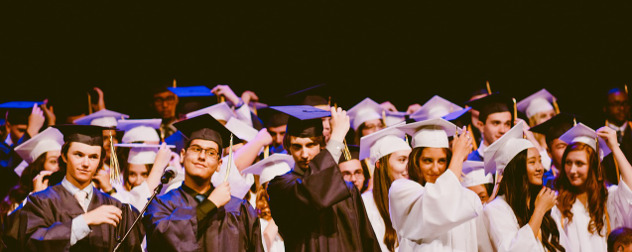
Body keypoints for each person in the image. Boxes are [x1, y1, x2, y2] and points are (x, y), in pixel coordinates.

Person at [266, 105, 380, 251]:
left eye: (310, 144)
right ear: (288, 147)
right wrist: (336, 138)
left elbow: (366, 238)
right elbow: (313, 191)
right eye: (297, 146)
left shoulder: (348, 189)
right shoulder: (281, 186)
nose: (304, 154)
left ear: (321, 144)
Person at [143, 114, 263, 251]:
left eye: (211, 153)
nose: (202, 156)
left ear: (219, 164)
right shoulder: (161, 205)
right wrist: (210, 205)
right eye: (196, 149)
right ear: (183, 155)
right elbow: (161, 240)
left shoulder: (239, 209)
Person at [15, 124, 144, 251]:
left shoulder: (115, 207)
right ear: (64, 156)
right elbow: (31, 244)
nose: (86, 163)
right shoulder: (40, 202)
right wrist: (84, 221)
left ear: (100, 161)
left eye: (93, 157)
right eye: (79, 155)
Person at [390, 118, 487, 251]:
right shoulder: (402, 190)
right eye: (427, 161)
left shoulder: (469, 199)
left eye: (441, 161)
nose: (435, 169)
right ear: (415, 161)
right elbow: (438, 205)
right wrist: (457, 156)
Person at [483, 121, 565, 252]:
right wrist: (539, 210)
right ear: (517, 169)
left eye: (540, 160)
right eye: (532, 162)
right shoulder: (496, 209)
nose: (540, 168)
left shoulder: (540, 203)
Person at [552, 123, 632, 252]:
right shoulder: (558, 204)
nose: (572, 170)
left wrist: (615, 148)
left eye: (579, 163)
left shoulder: (609, 198)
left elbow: (630, 189)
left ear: (594, 167)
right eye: (568, 162)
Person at [359, 126, 411, 251]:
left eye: (410, 160)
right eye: (402, 160)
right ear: (380, 165)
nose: (408, 167)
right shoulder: (365, 204)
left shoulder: (416, 197)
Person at [1, 127, 63, 215]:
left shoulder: (66, 194)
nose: (59, 167)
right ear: (38, 168)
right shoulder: (18, 201)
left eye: (61, 162)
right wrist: (37, 196)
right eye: (53, 161)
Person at [242, 154, 295, 252]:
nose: (280, 192)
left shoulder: (298, 216)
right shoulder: (258, 223)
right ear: (264, 192)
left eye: (285, 185)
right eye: (274, 187)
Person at [529, 113, 575, 186]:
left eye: (571, 145)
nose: (568, 150)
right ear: (549, 152)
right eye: (561, 146)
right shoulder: (542, 183)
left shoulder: (582, 178)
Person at [466, 93, 514, 161]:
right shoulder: (469, 163)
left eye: (507, 124)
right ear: (481, 126)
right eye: (496, 123)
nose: (502, 130)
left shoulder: (516, 158)